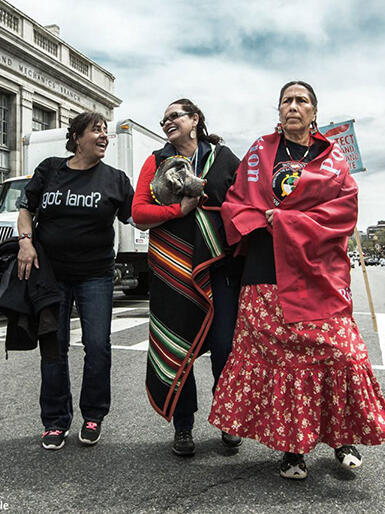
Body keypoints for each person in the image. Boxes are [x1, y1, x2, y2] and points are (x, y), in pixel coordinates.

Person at [209, 81, 385, 479]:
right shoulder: (259, 152)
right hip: (265, 271)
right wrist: (261, 219)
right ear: (279, 110)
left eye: (301, 100)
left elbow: (343, 211)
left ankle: (342, 437)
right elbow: (236, 202)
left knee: (343, 354)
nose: (293, 106)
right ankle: (292, 449)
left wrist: (287, 220)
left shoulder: (333, 158)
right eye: (287, 100)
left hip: (316, 272)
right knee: (283, 365)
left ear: (313, 112)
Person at [17, 112, 134, 450]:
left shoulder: (115, 179)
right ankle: (55, 421)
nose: (103, 136)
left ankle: (94, 414)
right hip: (50, 276)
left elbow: (138, 217)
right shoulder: (51, 169)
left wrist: (175, 203)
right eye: (96, 130)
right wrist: (25, 240)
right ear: (77, 136)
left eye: (105, 131)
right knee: (54, 348)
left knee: (97, 347)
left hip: (95, 275)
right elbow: (27, 207)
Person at [132, 99, 243, 456]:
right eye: (163, 119)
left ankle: (227, 419)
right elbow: (138, 213)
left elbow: (245, 203)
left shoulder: (224, 158)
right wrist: (178, 209)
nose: (167, 123)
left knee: (224, 348)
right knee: (181, 350)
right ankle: (183, 427)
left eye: (174, 116)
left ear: (195, 119)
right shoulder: (156, 160)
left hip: (221, 270)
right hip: (172, 273)